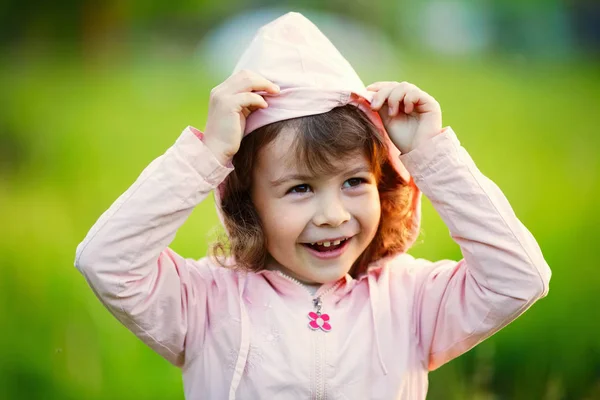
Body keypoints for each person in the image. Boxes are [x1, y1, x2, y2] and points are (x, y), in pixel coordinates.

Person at [74, 11, 551, 400]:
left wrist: (432, 155)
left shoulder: (410, 299)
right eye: (300, 188)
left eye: (354, 182)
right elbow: (106, 262)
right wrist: (207, 155)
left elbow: (520, 278)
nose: (333, 215)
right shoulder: (205, 302)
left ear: (383, 183)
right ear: (248, 203)